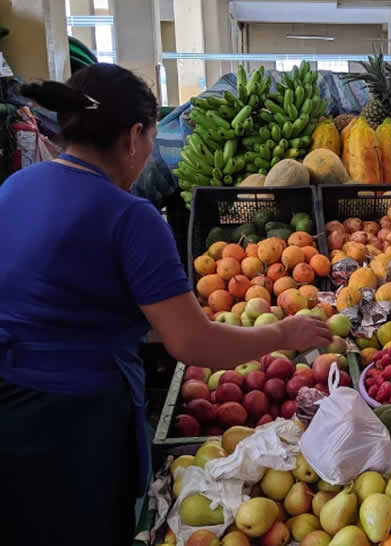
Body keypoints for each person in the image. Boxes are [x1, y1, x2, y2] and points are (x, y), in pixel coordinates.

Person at [0, 63, 332, 545]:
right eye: (152, 138)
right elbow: (191, 342)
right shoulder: (129, 216)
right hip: (73, 423)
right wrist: (284, 334)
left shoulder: (14, 187)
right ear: (135, 135)